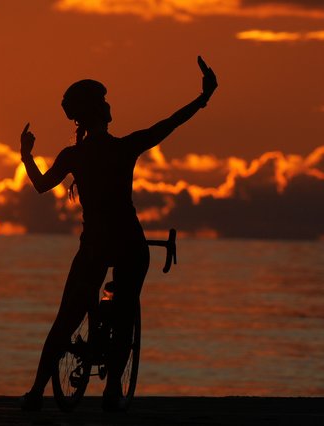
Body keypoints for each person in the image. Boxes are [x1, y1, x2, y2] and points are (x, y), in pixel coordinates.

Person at [19, 57, 217, 411]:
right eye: (105, 103)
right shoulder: (123, 148)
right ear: (100, 112)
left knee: (66, 318)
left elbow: (40, 185)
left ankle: (36, 392)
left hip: (95, 245)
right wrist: (203, 99)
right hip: (128, 243)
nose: (111, 106)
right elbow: (169, 124)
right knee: (123, 311)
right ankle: (112, 390)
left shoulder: (73, 156)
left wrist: (26, 156)